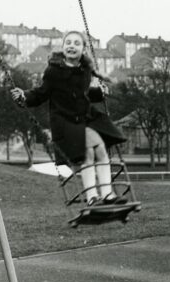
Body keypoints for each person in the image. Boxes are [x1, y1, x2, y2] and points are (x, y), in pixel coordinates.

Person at [10, 31, 127, 206]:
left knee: (101, 150)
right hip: (65, 123)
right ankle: (93, 197)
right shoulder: (54, 71)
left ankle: (107, 194)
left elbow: (83, 94)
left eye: (76, 43)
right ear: (63, 47)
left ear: (83, 49)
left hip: (85, 119)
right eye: (68, 43)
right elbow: (41, 93)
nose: (72, 46)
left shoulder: (85, 70)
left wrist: (99, 92)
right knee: (88, 151)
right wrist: (24, 97)